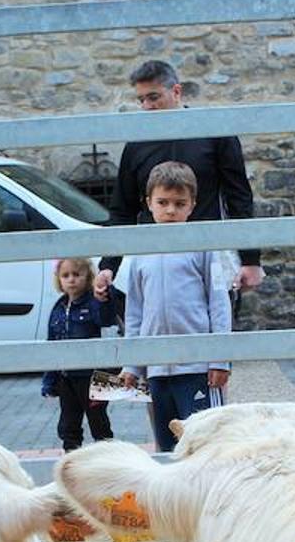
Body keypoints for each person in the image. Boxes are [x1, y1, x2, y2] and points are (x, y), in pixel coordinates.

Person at [94, 60, 263, 313]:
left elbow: (238, 198)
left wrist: (250, 260)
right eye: (141, 100)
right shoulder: (136, 144)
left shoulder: (216, 133)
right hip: (154, 261)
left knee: (213, 341)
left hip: (208, 257)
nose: (147, 107)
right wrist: (108, 266)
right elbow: (123, 209)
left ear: (176, 91)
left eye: (153, 97)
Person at [120, 161, 232, 453]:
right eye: (163, 202)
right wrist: (133, 363)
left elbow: (219, 303)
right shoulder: (140, 253)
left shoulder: (203, 247)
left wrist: (220, 359)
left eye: (179, 203)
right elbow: (134, 312)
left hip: (198, 368)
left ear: (192, 205)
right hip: (156, 371)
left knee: (205, 444)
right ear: (149, 203)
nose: (170, 210)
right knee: (166, 446)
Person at [41, 257, 116, 452]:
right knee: (68, 425)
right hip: (67, 378)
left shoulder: (94, 302)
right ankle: (71, 458)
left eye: (77, 274)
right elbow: (52, 345)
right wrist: (49, 381)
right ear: (59, 279)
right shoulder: (58, 307)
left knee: (99, 422)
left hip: (93, 377)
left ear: (87, 276)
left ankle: (108, 460)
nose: (71, 280)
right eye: (65, 275)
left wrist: (105, 297)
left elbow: (106, 319)